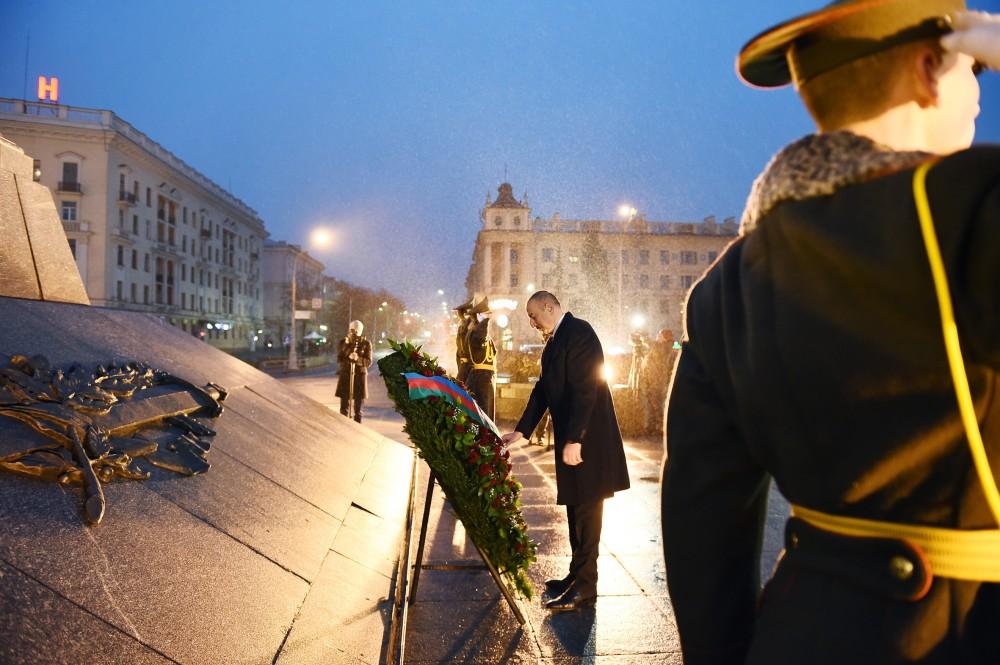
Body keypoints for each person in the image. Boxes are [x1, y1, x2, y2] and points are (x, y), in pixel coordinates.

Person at [661, 2, 1000, 663]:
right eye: (975, 70)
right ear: (929, 70)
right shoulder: (971, 206)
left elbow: (702, 520)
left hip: (802, 632)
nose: (981, 96)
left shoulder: (727, 282)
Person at [502, 291, 630, 611]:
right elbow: (543, 389)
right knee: (575, 509)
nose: (531, 322)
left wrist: (576, 438)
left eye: (533, 315)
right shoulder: (555, 340)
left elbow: (588, 388)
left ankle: (587, 587)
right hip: (574, 442)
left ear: (549, 306)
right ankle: (576, 576)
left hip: (588, 442)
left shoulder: (579, 332)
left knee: (587, 512)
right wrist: (522, 430)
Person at [465, 296, 497, 421]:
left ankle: (486, 438)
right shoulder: (476, 332)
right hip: (480, 378)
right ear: (478, 315)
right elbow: (480, 337)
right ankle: (484, 439)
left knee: (487, 412)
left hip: (485, 377)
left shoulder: (479, 331)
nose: (489, 316)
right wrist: (485, 321)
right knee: (484, 415)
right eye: (486, 314)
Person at [640, 328, 677, 434]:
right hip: (659, 380)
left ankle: (658, 426)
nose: (657, 337)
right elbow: (678, 347)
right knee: (657, 403)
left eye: (659, 335)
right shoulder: (672, 345)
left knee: (655, 404)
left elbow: (648, 342)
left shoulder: (660, 346)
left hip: (655, 380)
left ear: (663, 337)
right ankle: (656, 425)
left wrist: (641, 336)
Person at [335, 320, 372, 423]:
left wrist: (358, 359)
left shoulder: (366, 343)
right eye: (353, 329)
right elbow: (339, 358)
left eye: (357, 329)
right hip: (346, 374)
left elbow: (368, 362)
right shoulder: (343, 342)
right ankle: (344, 426)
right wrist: (348, 351)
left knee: (358, 409)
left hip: (360, 376)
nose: (355, 332)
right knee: (344, 407)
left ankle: (357, 427)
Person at [454, 298, 474, 384]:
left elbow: (466, 343)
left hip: (466, 360)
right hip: (463, 359)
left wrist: (465, 357)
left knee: (462, 383)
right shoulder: (462, 324)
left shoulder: (467, 325)